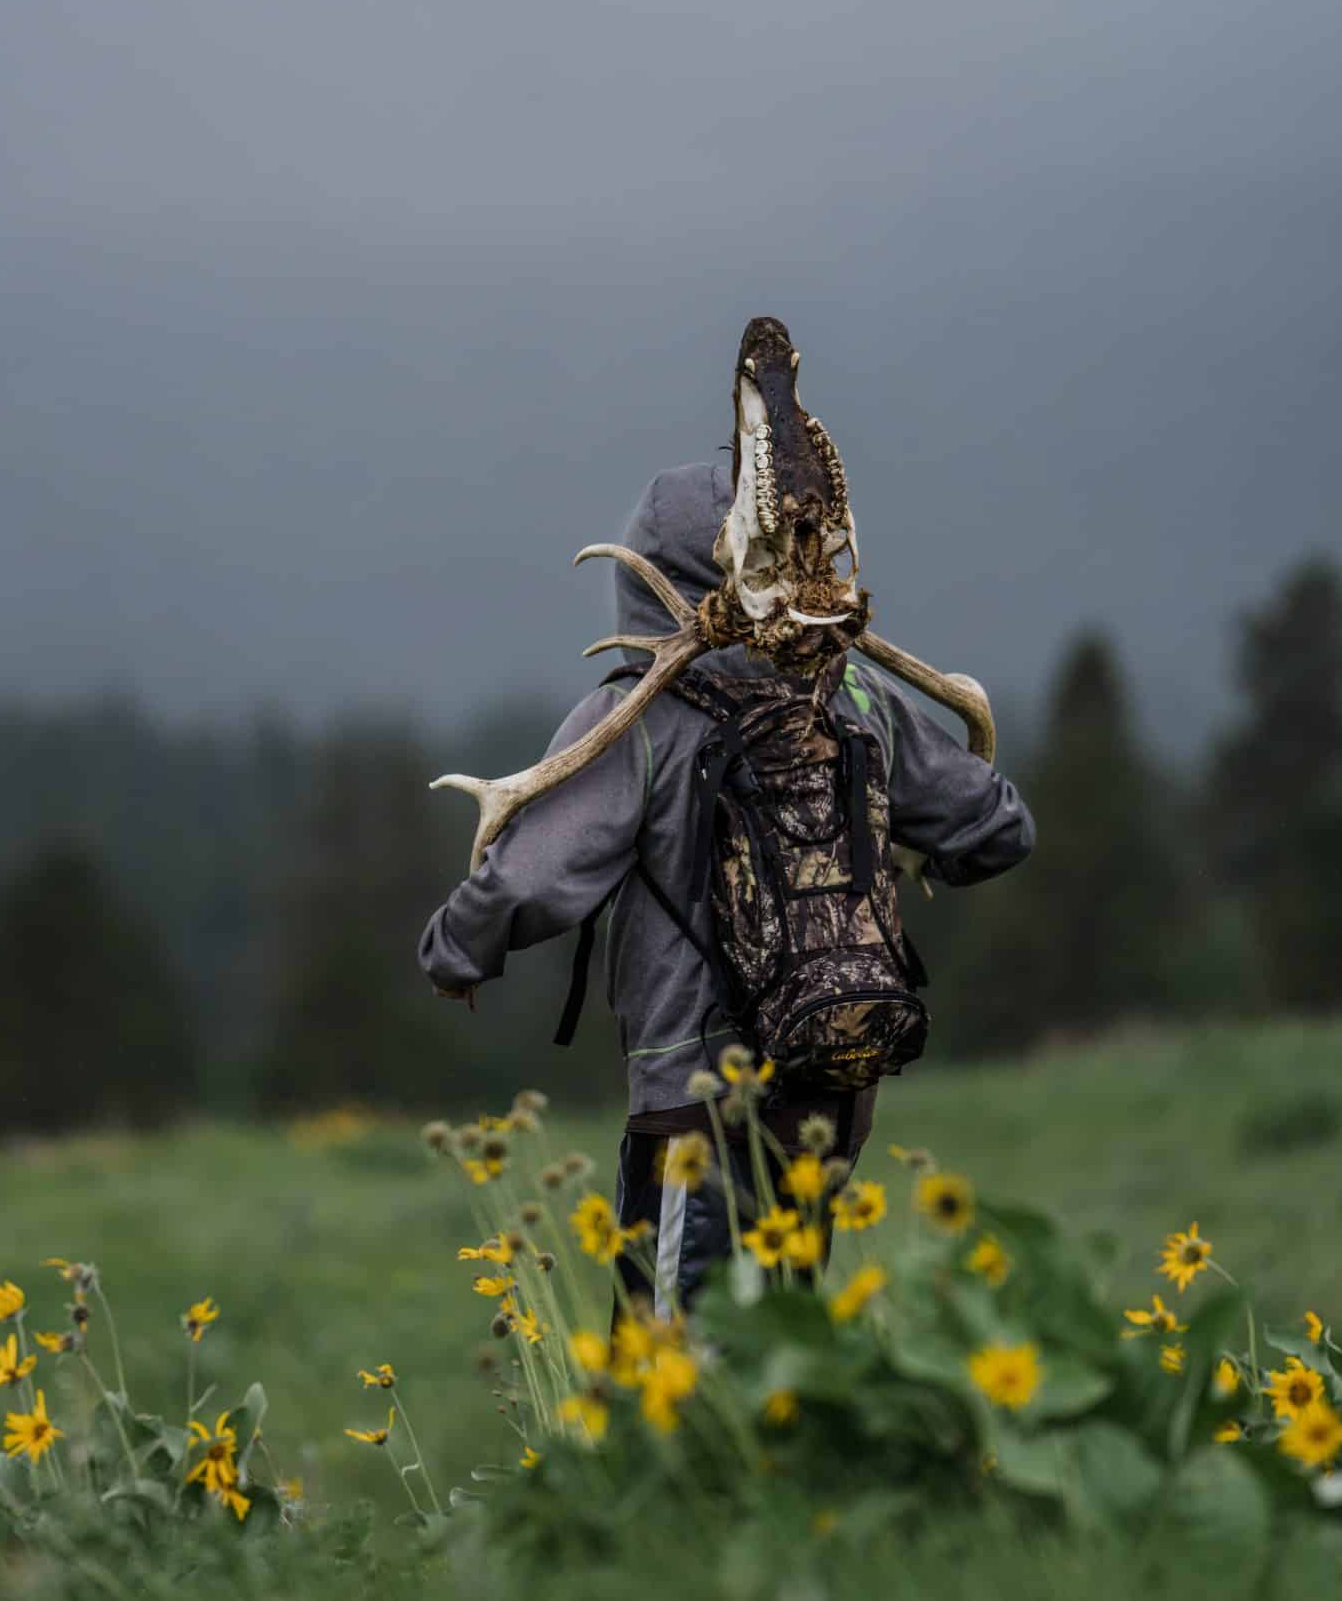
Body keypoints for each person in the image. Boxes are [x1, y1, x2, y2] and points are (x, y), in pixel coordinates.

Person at [418, 458, 1034, 1312]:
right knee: (787, 1367)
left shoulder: (638, 715)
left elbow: (527, 881)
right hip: (833, 1093)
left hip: (692, 1104)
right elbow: (999, 828)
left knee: (674, 1395)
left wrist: (454, 953)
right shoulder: (854, 688)